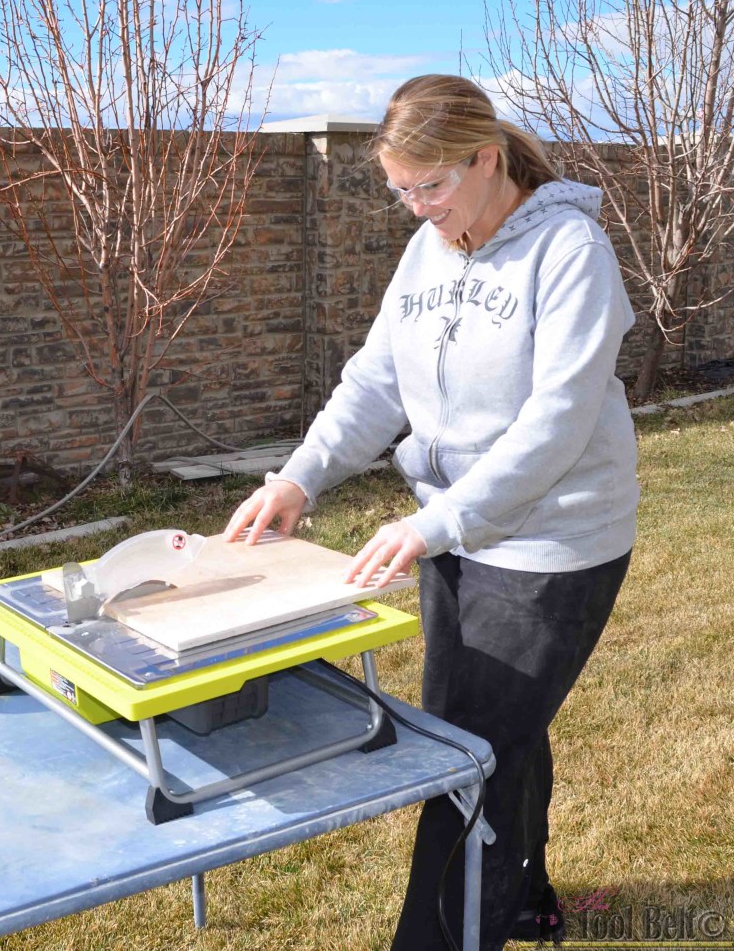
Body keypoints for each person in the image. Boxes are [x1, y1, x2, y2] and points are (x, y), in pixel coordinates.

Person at [224, 74, 639, 950]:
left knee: (464, 758)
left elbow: (557, 422)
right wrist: (300, 478)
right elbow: (377, 381)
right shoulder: (429, 250)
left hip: (554, 543)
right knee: (493, 730)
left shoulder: (569, 251)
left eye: (432, 185)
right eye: (401, 190)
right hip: (455, 533)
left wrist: (433, 524)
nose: (416, 207)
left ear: (487, 159)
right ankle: (523, 900)